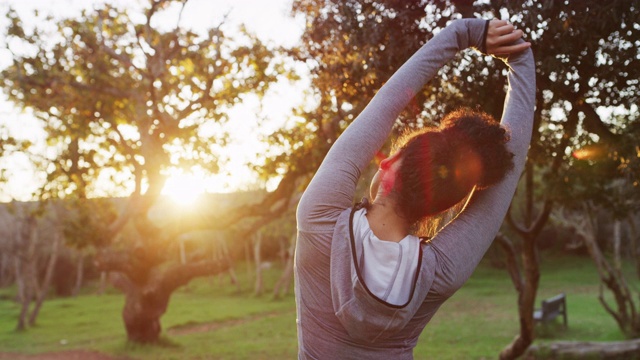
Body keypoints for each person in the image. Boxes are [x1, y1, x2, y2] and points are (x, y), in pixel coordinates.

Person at [295, 17, 535, 360]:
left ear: (389, 168)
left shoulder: (319, 220)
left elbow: (387, 104)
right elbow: (506, 178)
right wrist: (521, 58)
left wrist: (464, 33)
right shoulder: (440, 273)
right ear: (438, 208)